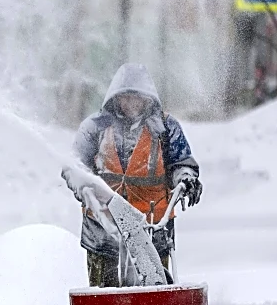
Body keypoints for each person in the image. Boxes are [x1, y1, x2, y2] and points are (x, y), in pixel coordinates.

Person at [73, 63, 202, 287]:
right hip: (104, 228)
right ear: (115, 98)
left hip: (152, 229)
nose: (131, 103)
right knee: (104, 297)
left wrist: (186, 179)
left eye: (137, 98)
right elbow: (74, 165)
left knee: (155, 290)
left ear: (147, 98)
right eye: (126, 98)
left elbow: (181, 163)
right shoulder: (95, 127)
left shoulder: (165, 128)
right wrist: (81, 185)